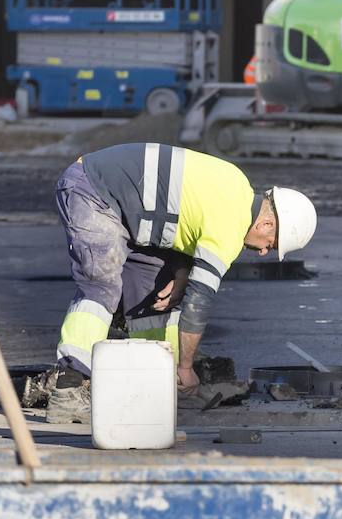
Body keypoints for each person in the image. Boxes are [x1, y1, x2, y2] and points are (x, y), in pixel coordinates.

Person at [46, 142, 318, 422]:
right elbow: (198, 303)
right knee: (101, 286)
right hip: (93, 189)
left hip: (126, 205)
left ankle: (155, 383)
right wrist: (187, 366)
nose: (262, 252)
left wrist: (181, 272)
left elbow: (183, 214)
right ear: (266, 226)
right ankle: (69, 387)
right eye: (270, 246)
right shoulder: (231, 230)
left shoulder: (236, 184)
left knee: (154, 292)